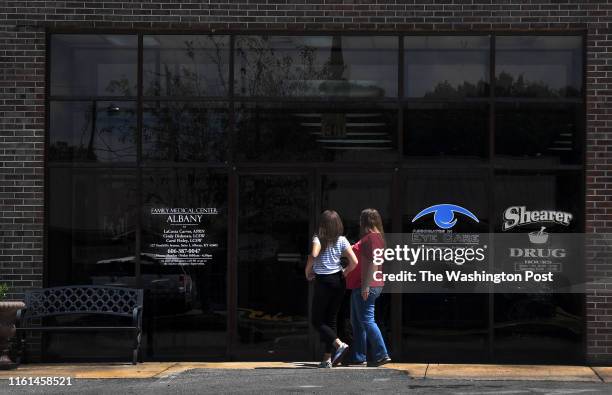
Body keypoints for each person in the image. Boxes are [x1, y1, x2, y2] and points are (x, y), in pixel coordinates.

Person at [305, 210, 358, 368]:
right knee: (331, 319)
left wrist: (307, 271)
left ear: (323, 224)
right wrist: (345, 272)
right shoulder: (342, 240)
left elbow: (313, 255)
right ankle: (327, 359)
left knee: (316, 321)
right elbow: (354, 262)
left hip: (324, 282)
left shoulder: (318, 238)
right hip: (339, 281)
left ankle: (339, 345)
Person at [344, 208, 391, 367]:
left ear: (364, 221)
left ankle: (381, 354)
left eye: (360, 219)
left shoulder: (372, 238)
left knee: (367, 321)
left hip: (365, 285)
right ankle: (359, 357)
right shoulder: (375, 238)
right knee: (357, 322)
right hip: (361, 285)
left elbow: (374, 263)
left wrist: (365, 286)